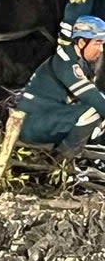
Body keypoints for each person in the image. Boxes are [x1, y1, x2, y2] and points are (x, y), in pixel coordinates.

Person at [16, 16, 105, 156]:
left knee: (98, 106)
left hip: (48, 117)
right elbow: (90, 96)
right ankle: (64, 162)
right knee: (93, 110)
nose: (101, 49)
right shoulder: (65, 62)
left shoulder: (81, 63)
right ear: (82, 42)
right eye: (97, 43)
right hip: (32, 123)